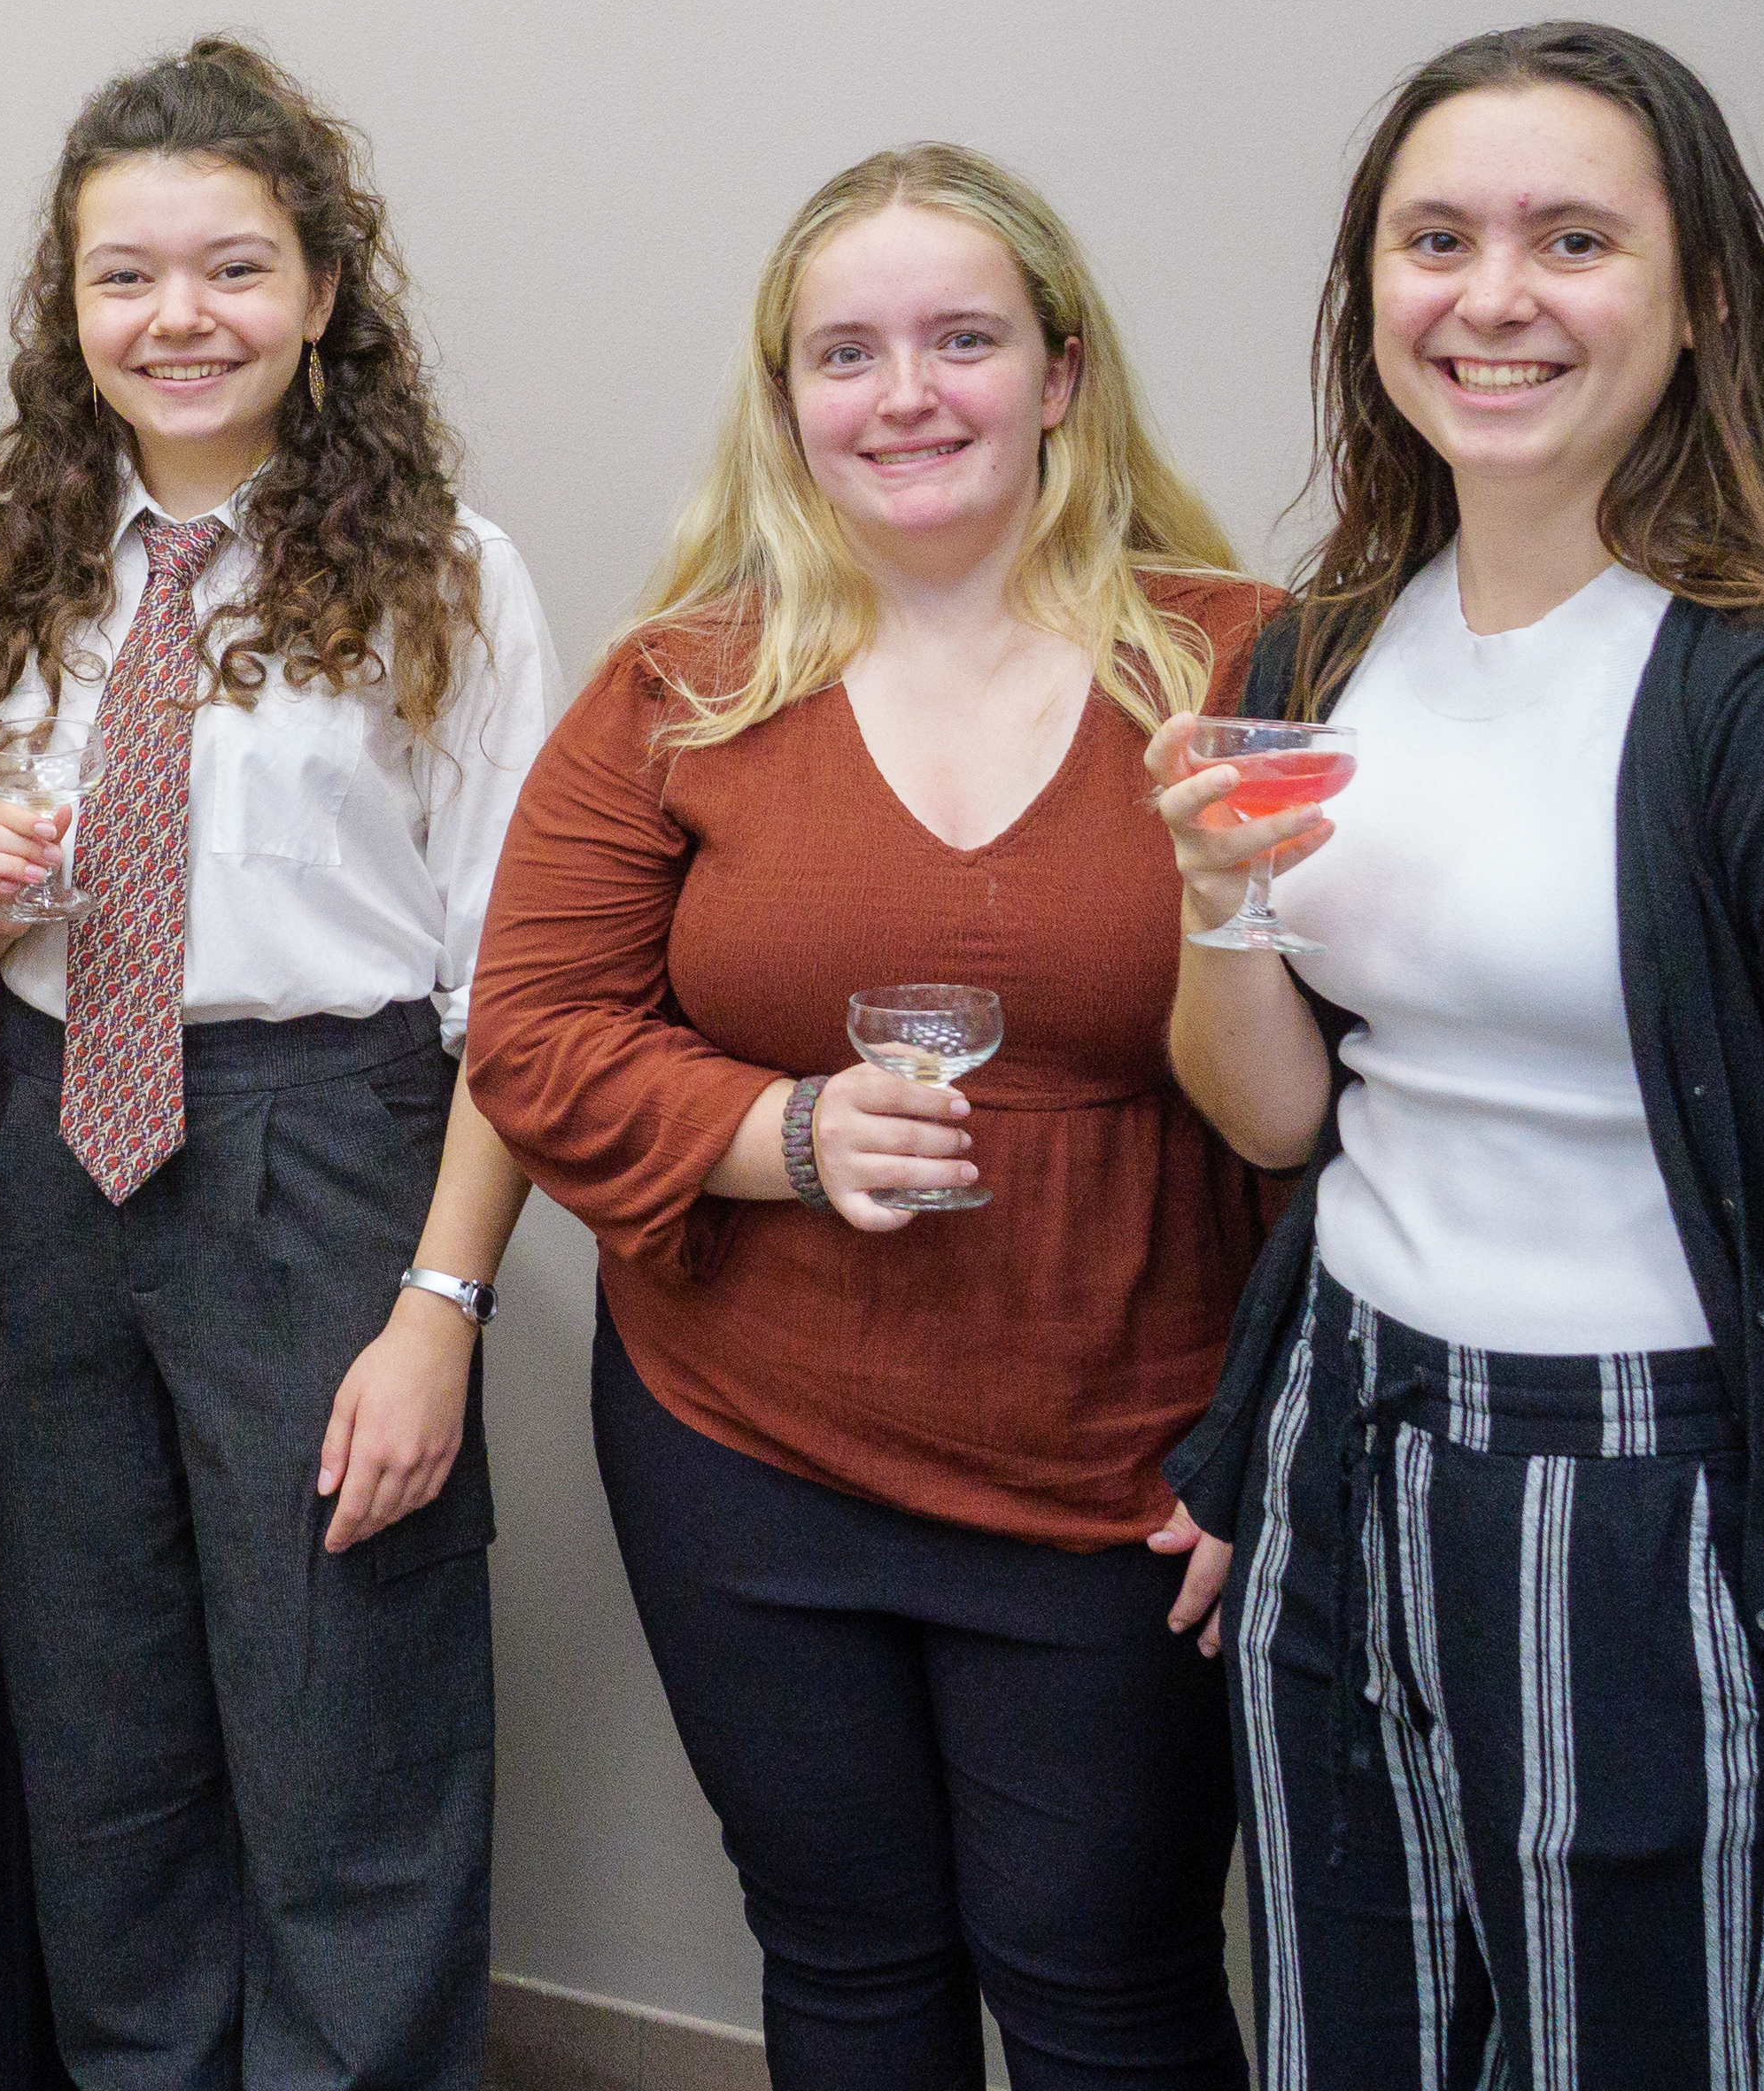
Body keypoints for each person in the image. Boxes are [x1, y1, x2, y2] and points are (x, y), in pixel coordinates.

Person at [1148, 22, 1764, 2091]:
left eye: (1572, 239)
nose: (1490, 296)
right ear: (1364, 290)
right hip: (1338, 1442)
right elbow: (1280, 1109)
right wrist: (1211, 898)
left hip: (1654, 1498)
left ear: (1700, 300)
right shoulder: (1320, 644)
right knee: (1343, 2040)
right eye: (1434, 238)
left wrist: (1741, 1401)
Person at [465, 143, 1266, 2091]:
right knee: (840, 1961)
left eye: (960, 340)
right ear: (784, 401)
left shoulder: (1246, 662)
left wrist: (1259, 1441)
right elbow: (530, 1027)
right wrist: (777, 1136)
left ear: (1059, 376)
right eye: (845, 352)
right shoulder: (680, 689)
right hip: (745, 1454)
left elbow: (1371, 1102)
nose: (901, 394)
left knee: (1104, 1983)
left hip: (1126, 1473)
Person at [0, 39, 558, 2090]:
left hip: (326, 1158)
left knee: (341, 1745)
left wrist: (438, 1310)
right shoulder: (11, 554)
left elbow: (514, 991)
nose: (174, 318)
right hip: (42, 1160)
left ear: (314, 295)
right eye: (124, 276)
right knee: (97, 1751)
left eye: (228, 268)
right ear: (69, 306)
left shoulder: (440, 574)